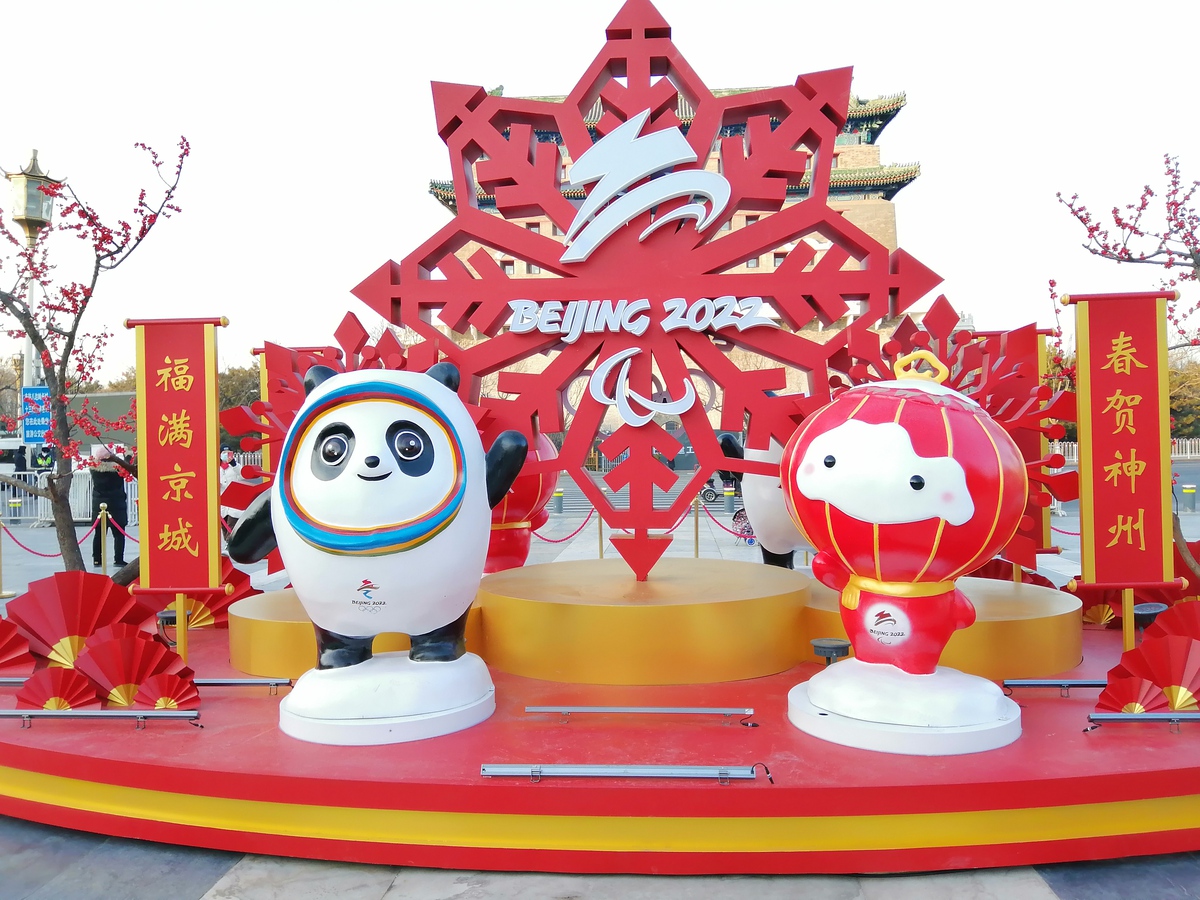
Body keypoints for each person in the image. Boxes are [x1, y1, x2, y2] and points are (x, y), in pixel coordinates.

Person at [91, 444, 136, 570]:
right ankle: (118, 559)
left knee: (99, 534)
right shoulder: (117, 470)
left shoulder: (94, 470)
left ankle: (97, 559)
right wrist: (128, 455)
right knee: (119, 534)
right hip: (117, 504)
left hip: (99, 505)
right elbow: (127, 467)